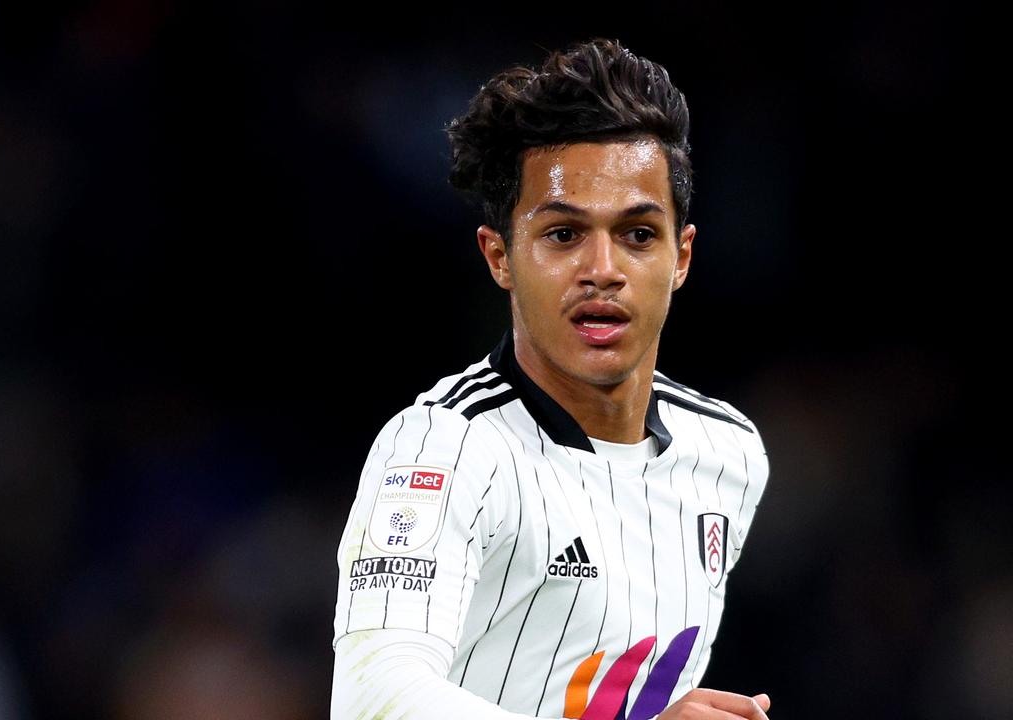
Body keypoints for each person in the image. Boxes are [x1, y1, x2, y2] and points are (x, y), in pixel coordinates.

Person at [329, 38, 773, 720]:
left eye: (638, 234)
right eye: (564, 235)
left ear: (681, 257)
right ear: (500, 256)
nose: (603, 268)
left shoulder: (729, 454)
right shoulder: (442, 448)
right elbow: (373, 699)